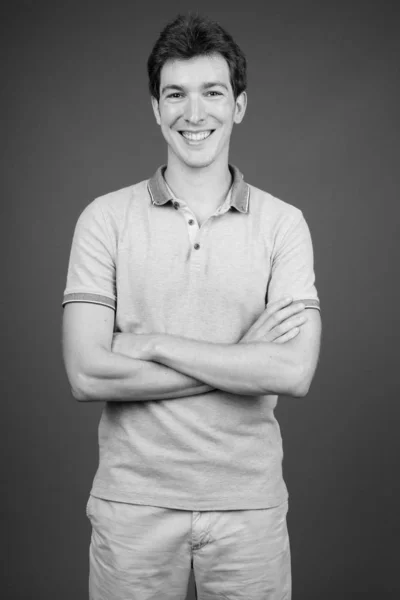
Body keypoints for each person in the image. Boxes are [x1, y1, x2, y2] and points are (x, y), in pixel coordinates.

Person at [62, 13, 321, 600]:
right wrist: (241, 361)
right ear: (156, 108)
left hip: (248, 509)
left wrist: (152, 345)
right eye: (175, 94)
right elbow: (83, 373)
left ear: (240, 105)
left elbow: (294, 371)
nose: (194, 112)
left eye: (213, 92)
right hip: (132, 508)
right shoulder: (104, 220)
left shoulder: (284, 225)